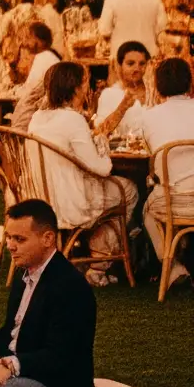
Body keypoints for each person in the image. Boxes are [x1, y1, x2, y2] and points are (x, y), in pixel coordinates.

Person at [0, 200, 97, 387]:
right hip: (23, 368)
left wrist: (10, 365)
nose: (10, 246)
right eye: (8, 237)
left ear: (48, 238)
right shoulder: (26, 274)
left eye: (19, 239)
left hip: (54, 382)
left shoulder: (70, 287)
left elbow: (62, 357)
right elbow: (12, 333)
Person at [26, 59, 137, 261]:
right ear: (76, 88)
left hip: (41, 197)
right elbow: (101, 169)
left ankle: (86, 250)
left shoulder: (38, 117)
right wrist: (102, 144)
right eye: (85, 82)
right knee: (129, 190)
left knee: (115, 191)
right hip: (70, 203)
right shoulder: (72, 119)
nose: (88, 87)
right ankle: (100, 261)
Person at [139, 56, 194, 278]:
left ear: (158, 87)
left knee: (147, 211)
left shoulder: (149, 117)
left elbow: (150, 153)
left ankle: (171, 265)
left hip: (173, 200)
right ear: (190, 83)